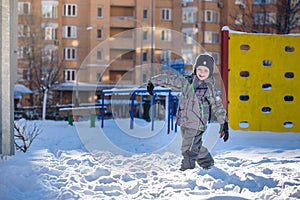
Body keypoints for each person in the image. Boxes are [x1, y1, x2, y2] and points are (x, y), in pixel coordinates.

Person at [147, 54, 229, 171]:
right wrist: (153, 82)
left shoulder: (208, 88)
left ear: (210, 72)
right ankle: (207, 163)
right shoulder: (186, 81)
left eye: (205, 70)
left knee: (188, 149)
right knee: (194, 145)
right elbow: (170, 80)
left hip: (197, 124)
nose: (202, 72)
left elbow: (217, 105)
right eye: (199, 69)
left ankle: (187, 171)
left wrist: (223, 122)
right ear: (195, 68)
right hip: (185, 122)